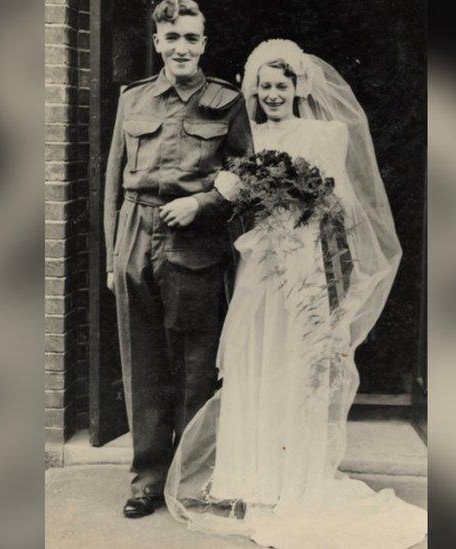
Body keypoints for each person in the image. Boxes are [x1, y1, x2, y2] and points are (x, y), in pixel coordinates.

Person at [165, 40, 428, 547]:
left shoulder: (324, 133)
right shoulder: (250, 136)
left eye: (281, 86)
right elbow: (233, 191)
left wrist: (301, 217)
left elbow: (339, 202)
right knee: (254, 351)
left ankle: (294, 477)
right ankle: (249, 477)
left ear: (298, 87)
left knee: (296, 353)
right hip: (259, 259)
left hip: (303, 258)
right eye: (264, 87)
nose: (272, 95)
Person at [103, 0, 253, 519]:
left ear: (204, 43)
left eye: (191, 37)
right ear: (157, 42)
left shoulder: (227, 102)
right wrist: (113, 256)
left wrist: (204, 203)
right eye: (172, 38)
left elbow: (246, 176)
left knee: (193, 366)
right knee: (142, 363)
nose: (181, 47)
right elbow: (113, 183)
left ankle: (188, 477)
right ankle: (147, 479)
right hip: (136, 237)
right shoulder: (133, 99)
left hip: (196, 245)